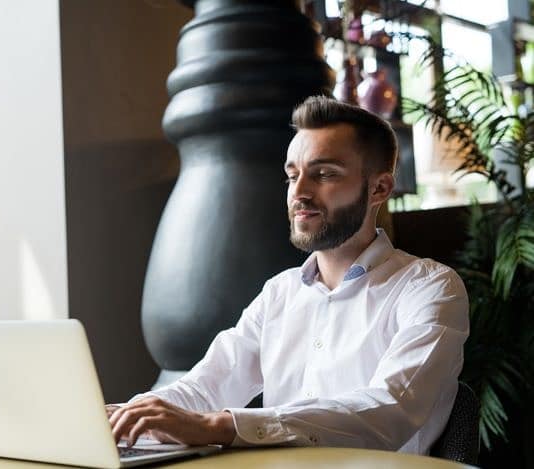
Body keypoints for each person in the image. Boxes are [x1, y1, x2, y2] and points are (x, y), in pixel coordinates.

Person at [108, 96, 469, 454]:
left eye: (324, 174)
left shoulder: (430, 288)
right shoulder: (279, 293)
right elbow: (205, 387)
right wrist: (128, 416)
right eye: (292, 176)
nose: (299, 193)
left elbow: (389, 411)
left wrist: (217, 425)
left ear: (380, 188)